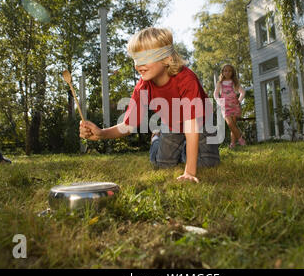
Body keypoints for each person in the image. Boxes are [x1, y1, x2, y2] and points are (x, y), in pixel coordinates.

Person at [80, 27, 220, 183]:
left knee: (207, 164)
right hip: (172, 123)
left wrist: (189, 171)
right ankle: (156, 139)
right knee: (163, 165)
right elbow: (128, 125)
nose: (138, 64)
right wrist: (101, 133)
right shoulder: (142, 87)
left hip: (200, 122)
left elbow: (191, 126)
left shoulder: (186, 79)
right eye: (135, 58)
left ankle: (186, 151)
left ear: (167, 58)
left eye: (145, 56)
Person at [214, 64, 246, 148]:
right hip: (224, 106)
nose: (227, 72)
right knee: (230, 124)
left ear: (232, 72)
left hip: (234, 106)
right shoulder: (220, 83)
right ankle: (241, 139)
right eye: (225, 70)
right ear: (222, 72)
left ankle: (233, 144)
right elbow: (215, 94)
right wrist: (218, 101)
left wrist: (239, 100)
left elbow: (242, 92)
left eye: (229, 71)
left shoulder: (234, 82)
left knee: (233, 126)